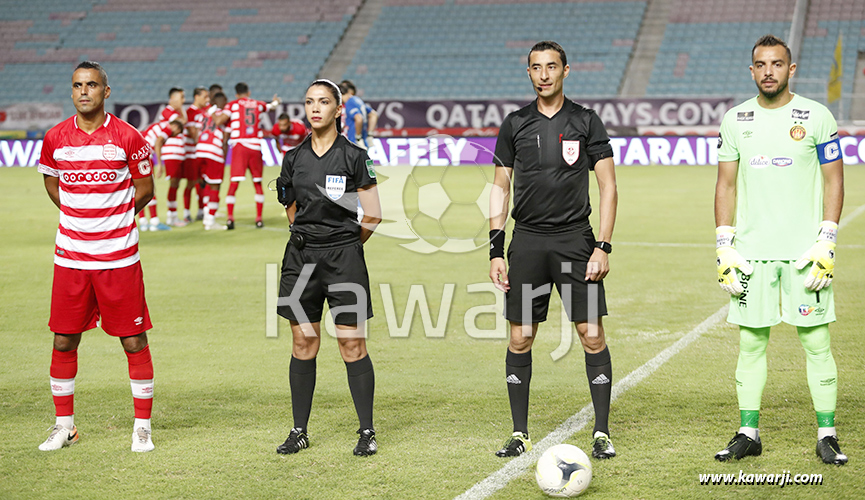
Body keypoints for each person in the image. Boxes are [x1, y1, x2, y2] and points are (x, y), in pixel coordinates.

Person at [713, 35, 847, 465]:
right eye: (760, 64)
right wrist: (723, 245)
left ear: (791, 70)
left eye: (776, 64)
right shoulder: (736, 119)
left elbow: (834, 180)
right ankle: (747, 432)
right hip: (751, 254)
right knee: (751, 345)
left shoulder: (818, 116)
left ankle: (827, 435)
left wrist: (827, 240)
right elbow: (725, 184)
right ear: (751, 71)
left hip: (805, 254)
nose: (768, 70)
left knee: (817, 343)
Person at [488, 41, 618, 459]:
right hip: (526, 244)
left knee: (591, 334)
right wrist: (495, 250)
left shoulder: (586, 121)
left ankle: (601, 433)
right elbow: (499, 187)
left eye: (551, 67)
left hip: (576, 243)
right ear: (528, 73)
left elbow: (608, 186)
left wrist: (602, 245)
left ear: (565, 70)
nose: (544, 74)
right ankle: (519, 433)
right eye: (535, 68)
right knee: (521, 337)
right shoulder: (514, 124)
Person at [37, 61, 157, 453]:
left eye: (91, 84)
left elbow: (145, 189)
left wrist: (114, 218)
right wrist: (78, 215)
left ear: (106, 91)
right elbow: (51, 182)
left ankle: (142, 427)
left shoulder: (129, 137)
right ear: (71, 92)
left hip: (118, 258)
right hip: (70, 258)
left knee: (134, 341)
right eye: (77, 85)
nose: (83, 91)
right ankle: (64, 426)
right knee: (64, 339)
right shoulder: (55, 138)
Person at [274, 79, 382, 457]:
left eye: (323, 102)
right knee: (304, 341)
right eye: (308, 102)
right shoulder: (293, 158)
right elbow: (290, 207)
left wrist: (346, 246)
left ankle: (366, 431)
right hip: (301, 260)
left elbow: (373, 214)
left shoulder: (355, 156)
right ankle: (299, 430)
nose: (314, 108)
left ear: (339, 109)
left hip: (343, 259)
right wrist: (307, 236)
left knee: (352, 343)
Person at [220, 82, 280, 229]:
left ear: (236, 94)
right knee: (257, 183)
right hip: (255, 146)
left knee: (234, 183)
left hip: (240, 146)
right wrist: (276, 102)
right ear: (249, 92)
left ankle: (230, 218)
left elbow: (221, 120)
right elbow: (272, 106)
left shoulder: (232, 105)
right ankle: (259, 219)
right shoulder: (258, 104)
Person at [139, 119, 184, 231]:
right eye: (176, 133)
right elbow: (158, 142)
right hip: (145, 156)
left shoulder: (156, 125)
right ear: (176, 128)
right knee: (150, 188)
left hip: (137, 155)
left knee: (139, 189)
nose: (173, 136)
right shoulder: (168, 128)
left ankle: (143, 222)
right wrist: (159, 164)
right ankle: (154, 222)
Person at [196, 92, 229, 230]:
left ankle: (205, 215)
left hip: (199, 150)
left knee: (206, 184)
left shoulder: (202, 115)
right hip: (214, 151)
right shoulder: (225, 114)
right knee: (215, 185)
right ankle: (210, 221)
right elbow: (226, 139)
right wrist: (224, 157)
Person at [160, 87, 188, 227]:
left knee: (176, 184)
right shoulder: (167, 111)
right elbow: (182, 121)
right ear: (172, 99)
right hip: (171, 152)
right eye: (180, 98)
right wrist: (181, 108)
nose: (182, 101)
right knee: (173, 183)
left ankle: (174, 215)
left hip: (179, 152)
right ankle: (172, 216)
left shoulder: (176, 112)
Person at [182, 86, 209, 223]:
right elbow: (193, 133)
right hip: (192, 153)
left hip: (202, 152)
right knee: (191, 183)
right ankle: (186, 212)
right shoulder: (190, 112)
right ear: (196, 97)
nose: (207, 99)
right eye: (205, 96)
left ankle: (201, 211)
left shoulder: (205, 111)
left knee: (202, 182)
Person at [338, 80, 377, 149]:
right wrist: (370, 135)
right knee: (365, 159)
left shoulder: (349, 102)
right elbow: (373, 114)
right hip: (364, 140)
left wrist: (358, 137)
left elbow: (358, 118)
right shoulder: (358, 101)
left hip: (354, 142)